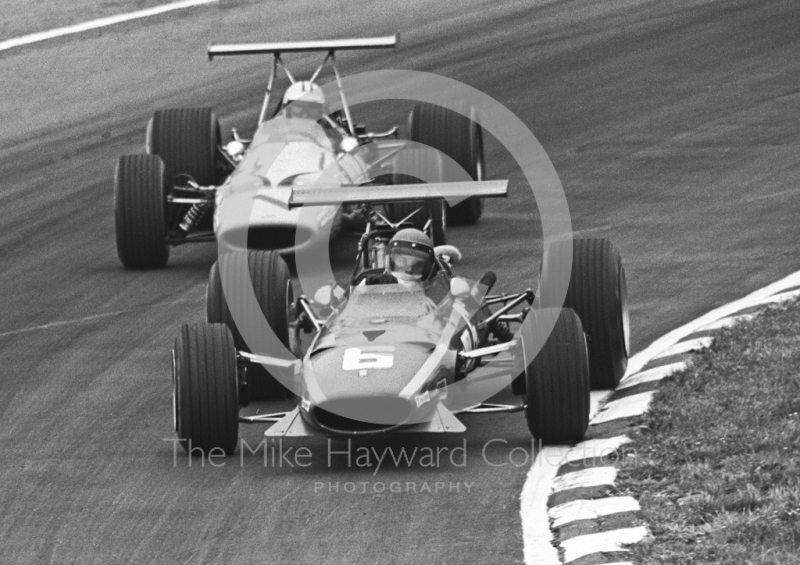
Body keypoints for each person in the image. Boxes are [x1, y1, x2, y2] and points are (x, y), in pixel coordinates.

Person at [366, 228, 436, 285]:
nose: (409, 270)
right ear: (391, 261)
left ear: (426, 268)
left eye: (418, 264)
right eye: (403, 261)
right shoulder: (373, 283)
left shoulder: (432, 288)